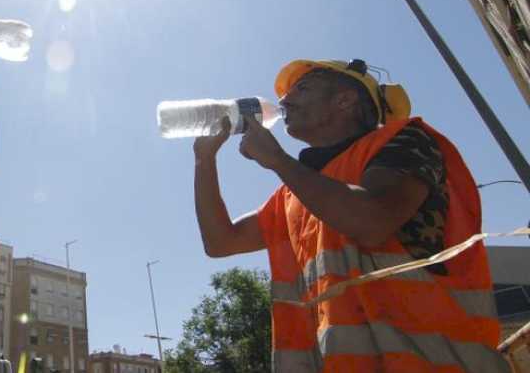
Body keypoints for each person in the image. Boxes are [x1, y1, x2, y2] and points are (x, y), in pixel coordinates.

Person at [193, 58, 508, 372]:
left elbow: (373, 221)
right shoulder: (295, 194)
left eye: (302, 88)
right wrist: (204, 160)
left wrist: (277, 160)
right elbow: (221, 242)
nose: (285, 100)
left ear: (344, 99)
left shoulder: (402, 141)